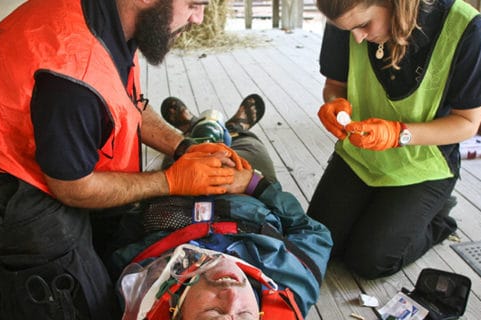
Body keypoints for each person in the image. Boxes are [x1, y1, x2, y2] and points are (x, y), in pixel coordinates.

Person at [0, 0, 252, 319]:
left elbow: (129, 105)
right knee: (86, 307)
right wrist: (169, 181)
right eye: (193, 4)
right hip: (2, 181)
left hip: (53, 161)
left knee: (116, 248)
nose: (199, 18)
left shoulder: (116, 19)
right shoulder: (73, 69)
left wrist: (184, 147)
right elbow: (72, 188)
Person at [308, 0, 481, 279]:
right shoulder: (345, 20)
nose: (356, 37)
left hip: (423, 162)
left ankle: (438, 219)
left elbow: (467, 123)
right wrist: (334, 104)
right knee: (317, 245)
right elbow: (335, 87)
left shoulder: (466, 27)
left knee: (369, 261)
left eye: (363, 25)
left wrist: (397, 134)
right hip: (360, 155)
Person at [110, 96, 332, 319]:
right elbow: (314, 233)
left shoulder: (137, 288)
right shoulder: (294, 283)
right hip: (249, 193)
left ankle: (194, 127)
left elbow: (121, 233)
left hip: (178, 193)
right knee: (249, 146)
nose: (232, 294)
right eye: (245, 315)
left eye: (213, 312)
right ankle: (237, 128)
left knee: (192, 146)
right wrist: (255, 184)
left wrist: (164, 186)